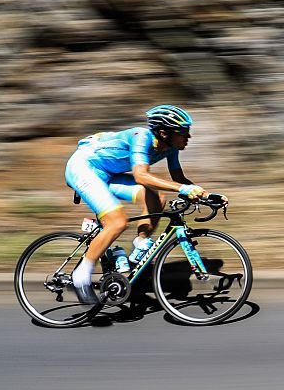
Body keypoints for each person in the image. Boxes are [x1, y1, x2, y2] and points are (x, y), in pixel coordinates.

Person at [64, 105, 215, 304]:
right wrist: (183, 189)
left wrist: (207, 194)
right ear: (164, 133)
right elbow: (141, 176)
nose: (188, 137)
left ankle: (138, 250)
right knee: (117, 222)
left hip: (109, 175)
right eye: (183, 133)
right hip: (84, 168)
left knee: (157, 199)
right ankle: (81, 277)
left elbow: (178, 178)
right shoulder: (141, 137)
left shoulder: (169, 147)